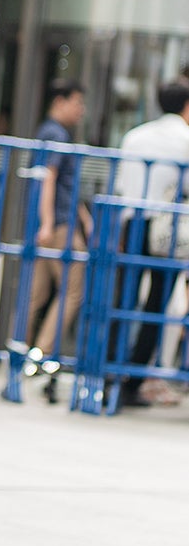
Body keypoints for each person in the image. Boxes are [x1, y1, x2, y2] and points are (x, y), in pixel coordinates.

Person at [110, 78, 189, 407]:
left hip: (133, 223)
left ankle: (108, 374)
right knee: (157, 304)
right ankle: (134, 381)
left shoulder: (135, 136)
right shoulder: (185, 139)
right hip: (167, 228)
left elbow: (120, 185)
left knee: (123, 300)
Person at [26, 79, 90, 361]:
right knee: (73, 289)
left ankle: (19, 351)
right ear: (59, 102)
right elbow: (48, 179)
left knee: (37, 293)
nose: (81, 109)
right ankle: (41, 353)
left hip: (53, 221)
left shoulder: (48, 131)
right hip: (59, 224)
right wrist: (48, 223)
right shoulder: (56, 134)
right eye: (77, 102)